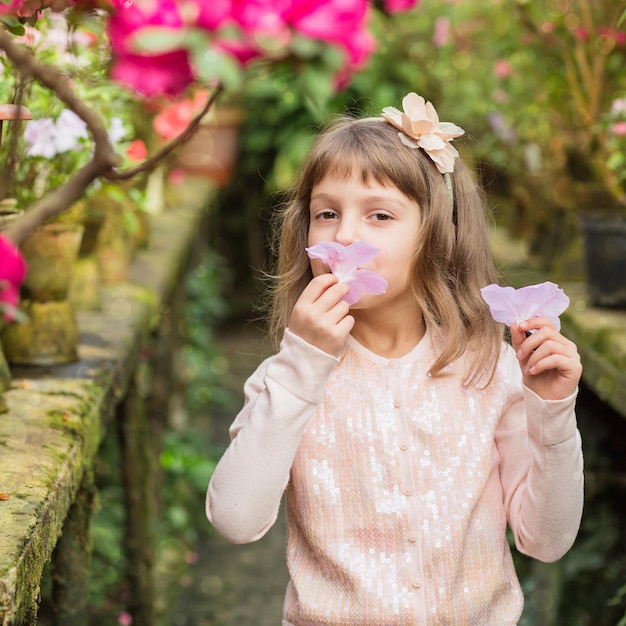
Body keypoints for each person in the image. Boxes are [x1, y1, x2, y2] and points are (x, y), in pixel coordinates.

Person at [206, 93, 584, 625]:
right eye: (327, 213)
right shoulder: (286, 380)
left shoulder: (491, 370)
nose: (345, 235)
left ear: (439, 233)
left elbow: (545, 541)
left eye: (379, 214)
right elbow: (236, 520)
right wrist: (302, 365)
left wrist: (552, 411)